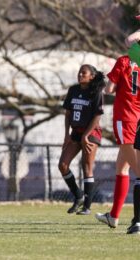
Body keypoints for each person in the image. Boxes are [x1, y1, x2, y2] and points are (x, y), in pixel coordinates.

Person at [95, 52, 140, 229]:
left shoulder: (124, 60)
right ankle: (113, 216)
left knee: (137, 170)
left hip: (125, 116)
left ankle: (136, 220)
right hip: (138, 117)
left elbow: (109, 89)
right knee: (122, 168)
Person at [58, 64, 105, 215]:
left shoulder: (96, 91)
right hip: (76, 132)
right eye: (79, 72)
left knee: (87, 168)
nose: (80, 75)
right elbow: (68, 114)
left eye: (83, 73)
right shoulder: (73, 90)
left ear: (91, 76)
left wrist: (86, 136)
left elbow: (97, 116)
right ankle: (78, 195)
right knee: (63, 165)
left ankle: (87, 207)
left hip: (91, 133)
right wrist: (66, 135)